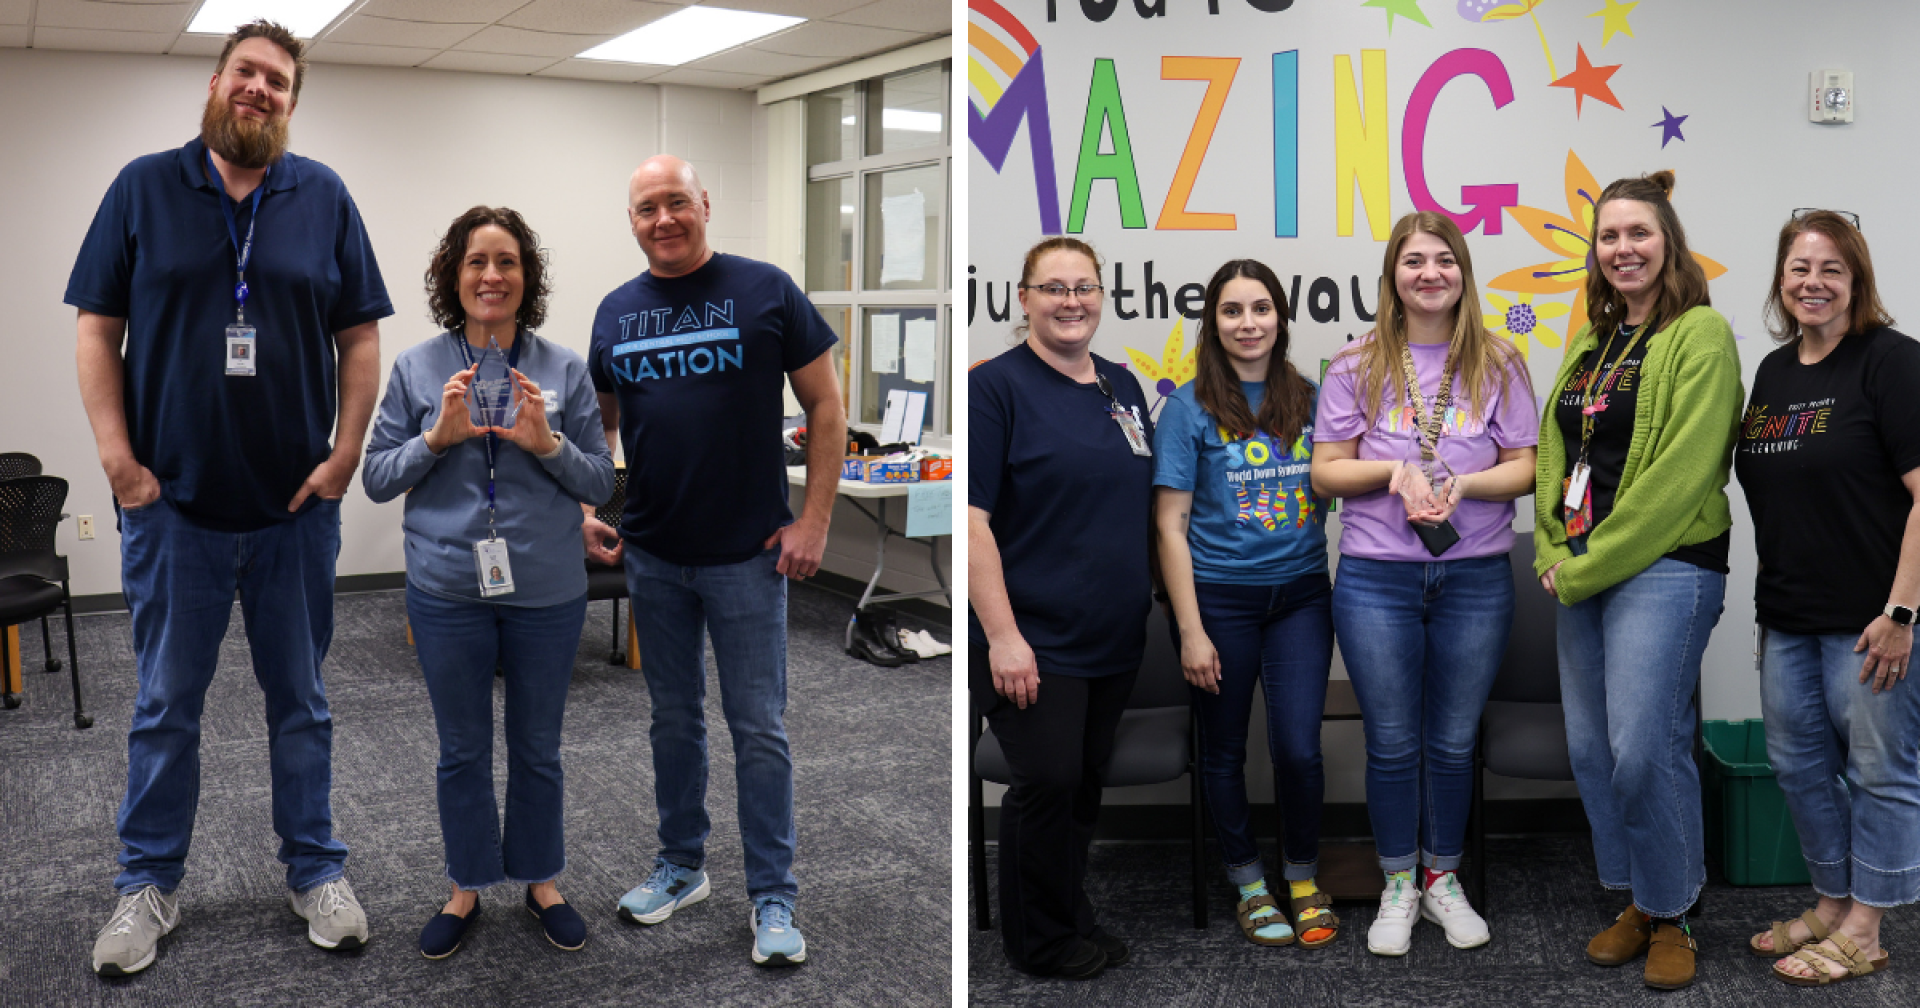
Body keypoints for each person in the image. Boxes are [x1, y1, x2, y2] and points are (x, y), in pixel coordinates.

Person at [68, 21, 390, 976]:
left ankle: (315, 869)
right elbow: (97, 331)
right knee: (167, 707)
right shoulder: (142, 186)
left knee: (303, 705)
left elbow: (360, 339)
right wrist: (121, 466)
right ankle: (147, 884)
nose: (259, 90)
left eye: (278, 82)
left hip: (295, 512)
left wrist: (343, 459)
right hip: (174, 513)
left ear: (292, 101)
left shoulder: (322, 194)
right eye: (246, 73)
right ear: (216, 82)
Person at [578, 155, 845, 967]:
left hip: (748, 558)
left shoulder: (764, 290)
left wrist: (815, 522)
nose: (663, 219)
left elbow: (827, 405)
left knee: (758, 728)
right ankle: (682, 866)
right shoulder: (617, 311)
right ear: (632, 222)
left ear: (703, 204)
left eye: (676, 203)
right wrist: (602, 512)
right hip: (655, 556)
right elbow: (606, 427)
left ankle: (773, 895)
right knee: (673, 720)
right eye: (646, 208)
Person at [363, 207, 613, 959]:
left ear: (526, 277)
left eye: (507, 261)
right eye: (477, 262)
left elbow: (600, 476)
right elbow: (376, 478)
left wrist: (550, 444)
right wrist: (435, 439)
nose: (492, 276)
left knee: (539, 746)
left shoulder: (565, 368)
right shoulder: (416, 368)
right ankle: (465, 884)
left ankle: (541, 879)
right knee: (461, 749)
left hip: (547, 588)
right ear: (454, 275)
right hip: (445, 591)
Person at [1533, 171, 1740, 991]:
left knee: (1642, 751)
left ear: (1668, 242)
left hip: (1667, 569)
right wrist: (1553, 543)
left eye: (1638, 234)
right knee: (1589, 749)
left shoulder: (1703, 335)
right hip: (1582, 570)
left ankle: (1676, 908)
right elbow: (1557, 453)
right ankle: (1642, 902)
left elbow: (1681, 479)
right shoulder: (1593, 340)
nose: (1623, 249)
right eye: (1608, 237)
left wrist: (1581, 567)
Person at [1311, 212, 1537, 957]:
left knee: (1450, 741)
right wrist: (1392, 471)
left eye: (1445, 260)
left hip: (1474, 576)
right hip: (1377, 578)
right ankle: (1398, 882)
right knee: (1394, 743)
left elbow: (1527, 465)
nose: (1430, 273)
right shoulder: (1356, 364)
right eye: (1414, 261)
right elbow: (1327, 470)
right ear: (1393, 276)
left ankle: (1444, 877)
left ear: (1463, 273)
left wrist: (1464, 485)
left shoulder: (1498, 361)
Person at [1735, 210, 1920, 987]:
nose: (1813, 283)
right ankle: (1831, 900)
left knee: (1880, 769)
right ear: (1782, 279)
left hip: (1870, 622)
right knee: (1799, 766)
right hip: (1787, 614)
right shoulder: (1775, 373)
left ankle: (1868, 927)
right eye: (1799, 269)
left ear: (1856, 280)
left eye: (1831, 270)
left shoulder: (1891, 362)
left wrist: (1903, 614)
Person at [970, 236, 1152, 980]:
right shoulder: (997, 388)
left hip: (1112, 634)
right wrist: (1004, 638)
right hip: (1036, 638)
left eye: (1084, 287)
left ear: (1103, 296)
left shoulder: (1122, 386)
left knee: (1080, 786)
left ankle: (1069, 915)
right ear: (1024, 299)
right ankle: (1037, 942)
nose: (1070, 301)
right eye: (1053, 288)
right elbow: (975, 521)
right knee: (1044, 785)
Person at [1152, 259, 1337, 949]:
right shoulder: (1188, 407)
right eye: (1232, 311)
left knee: (1297, 749)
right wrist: (1191, 629)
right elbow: (1169, 523)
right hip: (1219, 602)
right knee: (1224, 752)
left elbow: (1344, 481)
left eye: (1261, 308)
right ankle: (1249, 884)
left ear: (1281, 317)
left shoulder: (1314, 397)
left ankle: (1302, 877)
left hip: (1301, 599)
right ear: (1214, 323)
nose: (1248, 323)